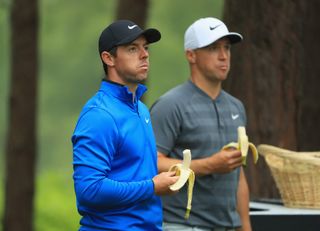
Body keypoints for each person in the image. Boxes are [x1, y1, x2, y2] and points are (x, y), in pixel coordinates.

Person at [72, 20, 178, 231]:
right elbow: (89, 190)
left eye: (145, 48)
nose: (144, 55)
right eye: (132, 49)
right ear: (108, 58)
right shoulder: (99, 115)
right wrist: (152, 186)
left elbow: (135, 170)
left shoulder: (141, 109)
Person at [150, 17, 252, 231]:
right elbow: (152, 163)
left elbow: (238, 176)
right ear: (191, 55)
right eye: (213, 48)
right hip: (182, 225)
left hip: (228, 226)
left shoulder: (236, 107)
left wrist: (245, 227)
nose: (224, 56)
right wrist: (210, 165)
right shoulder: (170, 104)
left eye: (227, 48)